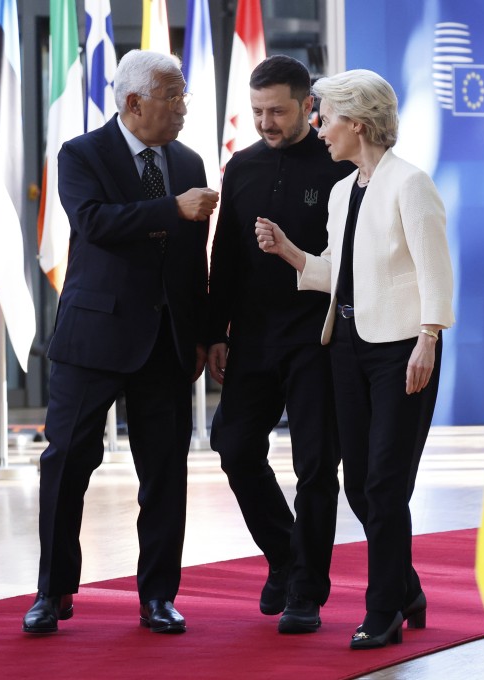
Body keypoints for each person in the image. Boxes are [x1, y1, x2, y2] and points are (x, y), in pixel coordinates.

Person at [254, 69, 455, 649]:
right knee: (361, 485)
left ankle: (383, 611)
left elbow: (435, 272)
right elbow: (340, 275)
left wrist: (428, 338)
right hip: (346, 347)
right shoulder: (343, 191)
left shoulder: (410, 184)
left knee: (385, 485)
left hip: (402, 350)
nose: (319, 129)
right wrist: (291, 253)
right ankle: (407, 589)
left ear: (358, 124)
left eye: (327, 118)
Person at [21, 50, 218, 635]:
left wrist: (203, 334)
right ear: (135, 102)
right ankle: (53, 591)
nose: (183, 108)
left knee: (165, 475)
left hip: (166, 342)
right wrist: (171, 208)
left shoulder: (188, 161)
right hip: (95, 336)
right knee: (65, 464)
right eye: (173, 97)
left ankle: (158, 596)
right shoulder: (81, 153)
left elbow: (194, 261)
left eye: (183, 95)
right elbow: (94, 222)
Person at [206, 55, 354, 634]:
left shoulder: (338, 165)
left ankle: (306, 591)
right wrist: (215, 333)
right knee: (234, 445)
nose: (266, 122)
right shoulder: (241, 167)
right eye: (258, 111)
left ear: (308, 106)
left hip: (317, 337)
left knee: (315, 466)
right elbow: (226, 257)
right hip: (252, 338)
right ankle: (287, 557)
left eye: (277, 111)